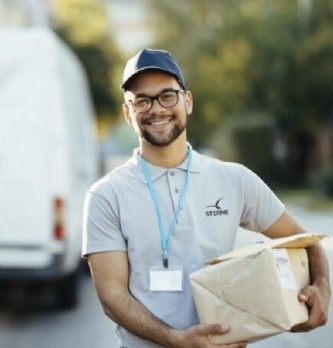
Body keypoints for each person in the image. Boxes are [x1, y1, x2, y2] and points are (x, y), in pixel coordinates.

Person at [82, 48, 330, 348]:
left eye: (167, 96)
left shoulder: (234, 179)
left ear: (187, 101)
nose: (156, 109)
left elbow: (304, 239)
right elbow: (111, 297)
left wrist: (321, 286)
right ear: (128, 113)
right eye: (142, 101)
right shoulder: (106, 196)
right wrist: (175, 339)